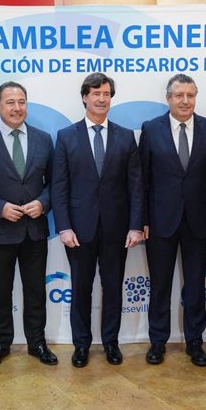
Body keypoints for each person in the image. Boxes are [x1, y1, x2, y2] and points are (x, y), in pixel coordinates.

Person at [0, 81, 57, 368]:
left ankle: (36, 342)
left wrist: (43, 202)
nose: (17, 108)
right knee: (1, 292)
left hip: (34, 231)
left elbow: (55, 184)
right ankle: (1, 342)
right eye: (10, 102)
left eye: (22, 102)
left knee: (35, 291)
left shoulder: (43, 139)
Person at [51, 72, 143, 367]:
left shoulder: (126, 136)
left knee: (113, 287)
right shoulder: (66, 136)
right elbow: (59, 186)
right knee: (81, 288)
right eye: (96, 94)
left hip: (117, 229)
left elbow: (136, 185)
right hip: (78, 230)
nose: (101, 99)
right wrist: (63, 226)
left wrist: (134, 225)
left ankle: (111, 343)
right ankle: (81, 345)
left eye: (106, 94)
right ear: (84, 97)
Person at [138, 74, 206, 366]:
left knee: (195, 285)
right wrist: (142, 219)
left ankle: (195, 342)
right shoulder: (151, 129)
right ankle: (157, 341)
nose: (185, 101)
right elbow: (142, 179)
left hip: (198, 220)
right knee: (160, 285)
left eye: (190, 95)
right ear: (168, 98)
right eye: (179, 95)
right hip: (160, 221)